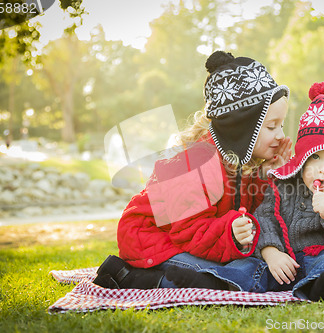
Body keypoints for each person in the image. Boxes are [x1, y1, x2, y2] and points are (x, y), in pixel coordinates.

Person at [165, 82, 324, 301]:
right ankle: (214, 280)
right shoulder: (285, 186)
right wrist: (271, 252)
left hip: (323, 263)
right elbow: (265, 218)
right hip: (281, 266)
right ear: (302, 160)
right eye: (314, 157)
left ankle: (322, 287)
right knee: (248, 267)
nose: (323, 169)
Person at [93, 50, 291, 290]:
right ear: (242, 128)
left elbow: (248, 206)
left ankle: (208, 279)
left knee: (243, 268)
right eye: (271, 126)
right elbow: (189, 231)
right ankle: (131, 276)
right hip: (154, 241)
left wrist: (266, 178)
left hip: (193, 240)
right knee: (238, 274)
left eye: (280, 125)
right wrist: (231, 229)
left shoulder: (237, 161)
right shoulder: (194, 163)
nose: (280, 135)